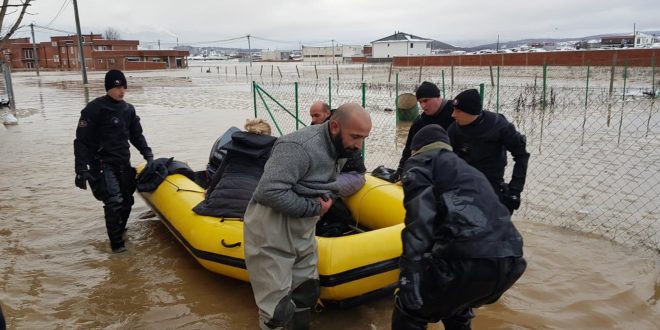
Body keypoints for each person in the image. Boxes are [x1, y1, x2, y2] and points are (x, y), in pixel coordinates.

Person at [244, 103, 372, 330]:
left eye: (363, 138)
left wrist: (329, 198)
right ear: (334, 126)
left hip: (304, 227)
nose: (358, 145)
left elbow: (330, 182)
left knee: (307, 292)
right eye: (355, 137)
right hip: (272, 228)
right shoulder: (297, 146)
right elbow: (268, 192)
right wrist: (314, 209)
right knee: (277, 311)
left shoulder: (341, 148)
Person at [392, 124, 527, 330]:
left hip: (468, 260)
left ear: (415, 149)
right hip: (510, 263)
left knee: (410, 308)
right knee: (457, 307)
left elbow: (419, 221)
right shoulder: (468, 171)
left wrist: (409, 274)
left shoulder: (421, 162)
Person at [73, 69, 153, 253]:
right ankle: (117, 245)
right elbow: (81, 141)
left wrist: (148, 155)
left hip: (123, 162)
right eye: (117, 87)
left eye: (124, 87)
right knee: (114, 201)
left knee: (127, 201)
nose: (121, 91)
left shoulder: (128, 109)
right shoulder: (94, 109)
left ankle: (120, 230)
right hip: (102, 164)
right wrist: (80, 169)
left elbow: (136, 135)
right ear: (108, 88)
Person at [447, 89, 530, 214]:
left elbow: (521, 155)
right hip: (464, 186)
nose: (453, 115)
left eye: (458, 111)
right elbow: (443, 158)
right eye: (453, 110)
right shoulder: (454, 129)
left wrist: (515, 191)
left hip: (492, 186)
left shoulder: (499, 125)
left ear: (471, 112)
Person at [193, 118, 276, 218]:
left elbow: (218, 175)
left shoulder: (234, 146)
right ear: (268, 134)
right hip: (251, 208)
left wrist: (209, 193)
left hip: (219, 203)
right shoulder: (273, 151)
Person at [309, 101, 367, 237]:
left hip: (352, 175)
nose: (313, 120)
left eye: (316, 116)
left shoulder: (338, 131)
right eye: (311, 116)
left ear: (327, 114)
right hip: (337, 173)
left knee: (319, 191)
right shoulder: (321, 130)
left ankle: (309, 228)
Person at [394, 81, 455, 181]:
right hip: (430, 168)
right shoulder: (419, 122)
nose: (423, 106)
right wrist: (400, 170)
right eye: (420, 102)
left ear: (438, 97)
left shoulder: (456, 111)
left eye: (426, 100)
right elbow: (409, 149)